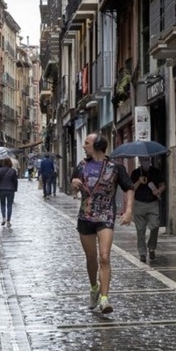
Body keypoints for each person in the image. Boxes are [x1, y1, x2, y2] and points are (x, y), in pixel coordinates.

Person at [70, 133, 134, 314]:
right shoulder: (82, 166)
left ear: (97, 145)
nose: (84, 146)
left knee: (104, 257)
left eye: (87, 143)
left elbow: (129, 188)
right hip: (85, 218)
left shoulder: (115, 168)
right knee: (91, 258)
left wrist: (128, 211)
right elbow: (73, 191)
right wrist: (74, 186)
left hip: (105, 217)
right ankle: (93, 289)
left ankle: (105, 299)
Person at [131, 156, 166, 263]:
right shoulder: (135, 173)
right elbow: (131, 188)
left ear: (150, 160)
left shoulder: (156, 172)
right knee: (140, 230)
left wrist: (159, 191)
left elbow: (162, 185)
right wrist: (138, 181)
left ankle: (151, 247)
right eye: (143, 160)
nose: (146, 162)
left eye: (147, 159)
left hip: (153, 203)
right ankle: (142, 253)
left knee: (155, 226)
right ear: (140, 161)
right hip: (139, 203)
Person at [0, 158, 18, 227]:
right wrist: (15, 188)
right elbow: (15, 181)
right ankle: (8, 221)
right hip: (10, 189)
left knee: (2, 204)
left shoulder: (0, 170)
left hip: (2, 189)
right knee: (9, 205)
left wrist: (0, 183)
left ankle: (3, 218)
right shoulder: (13, 171)